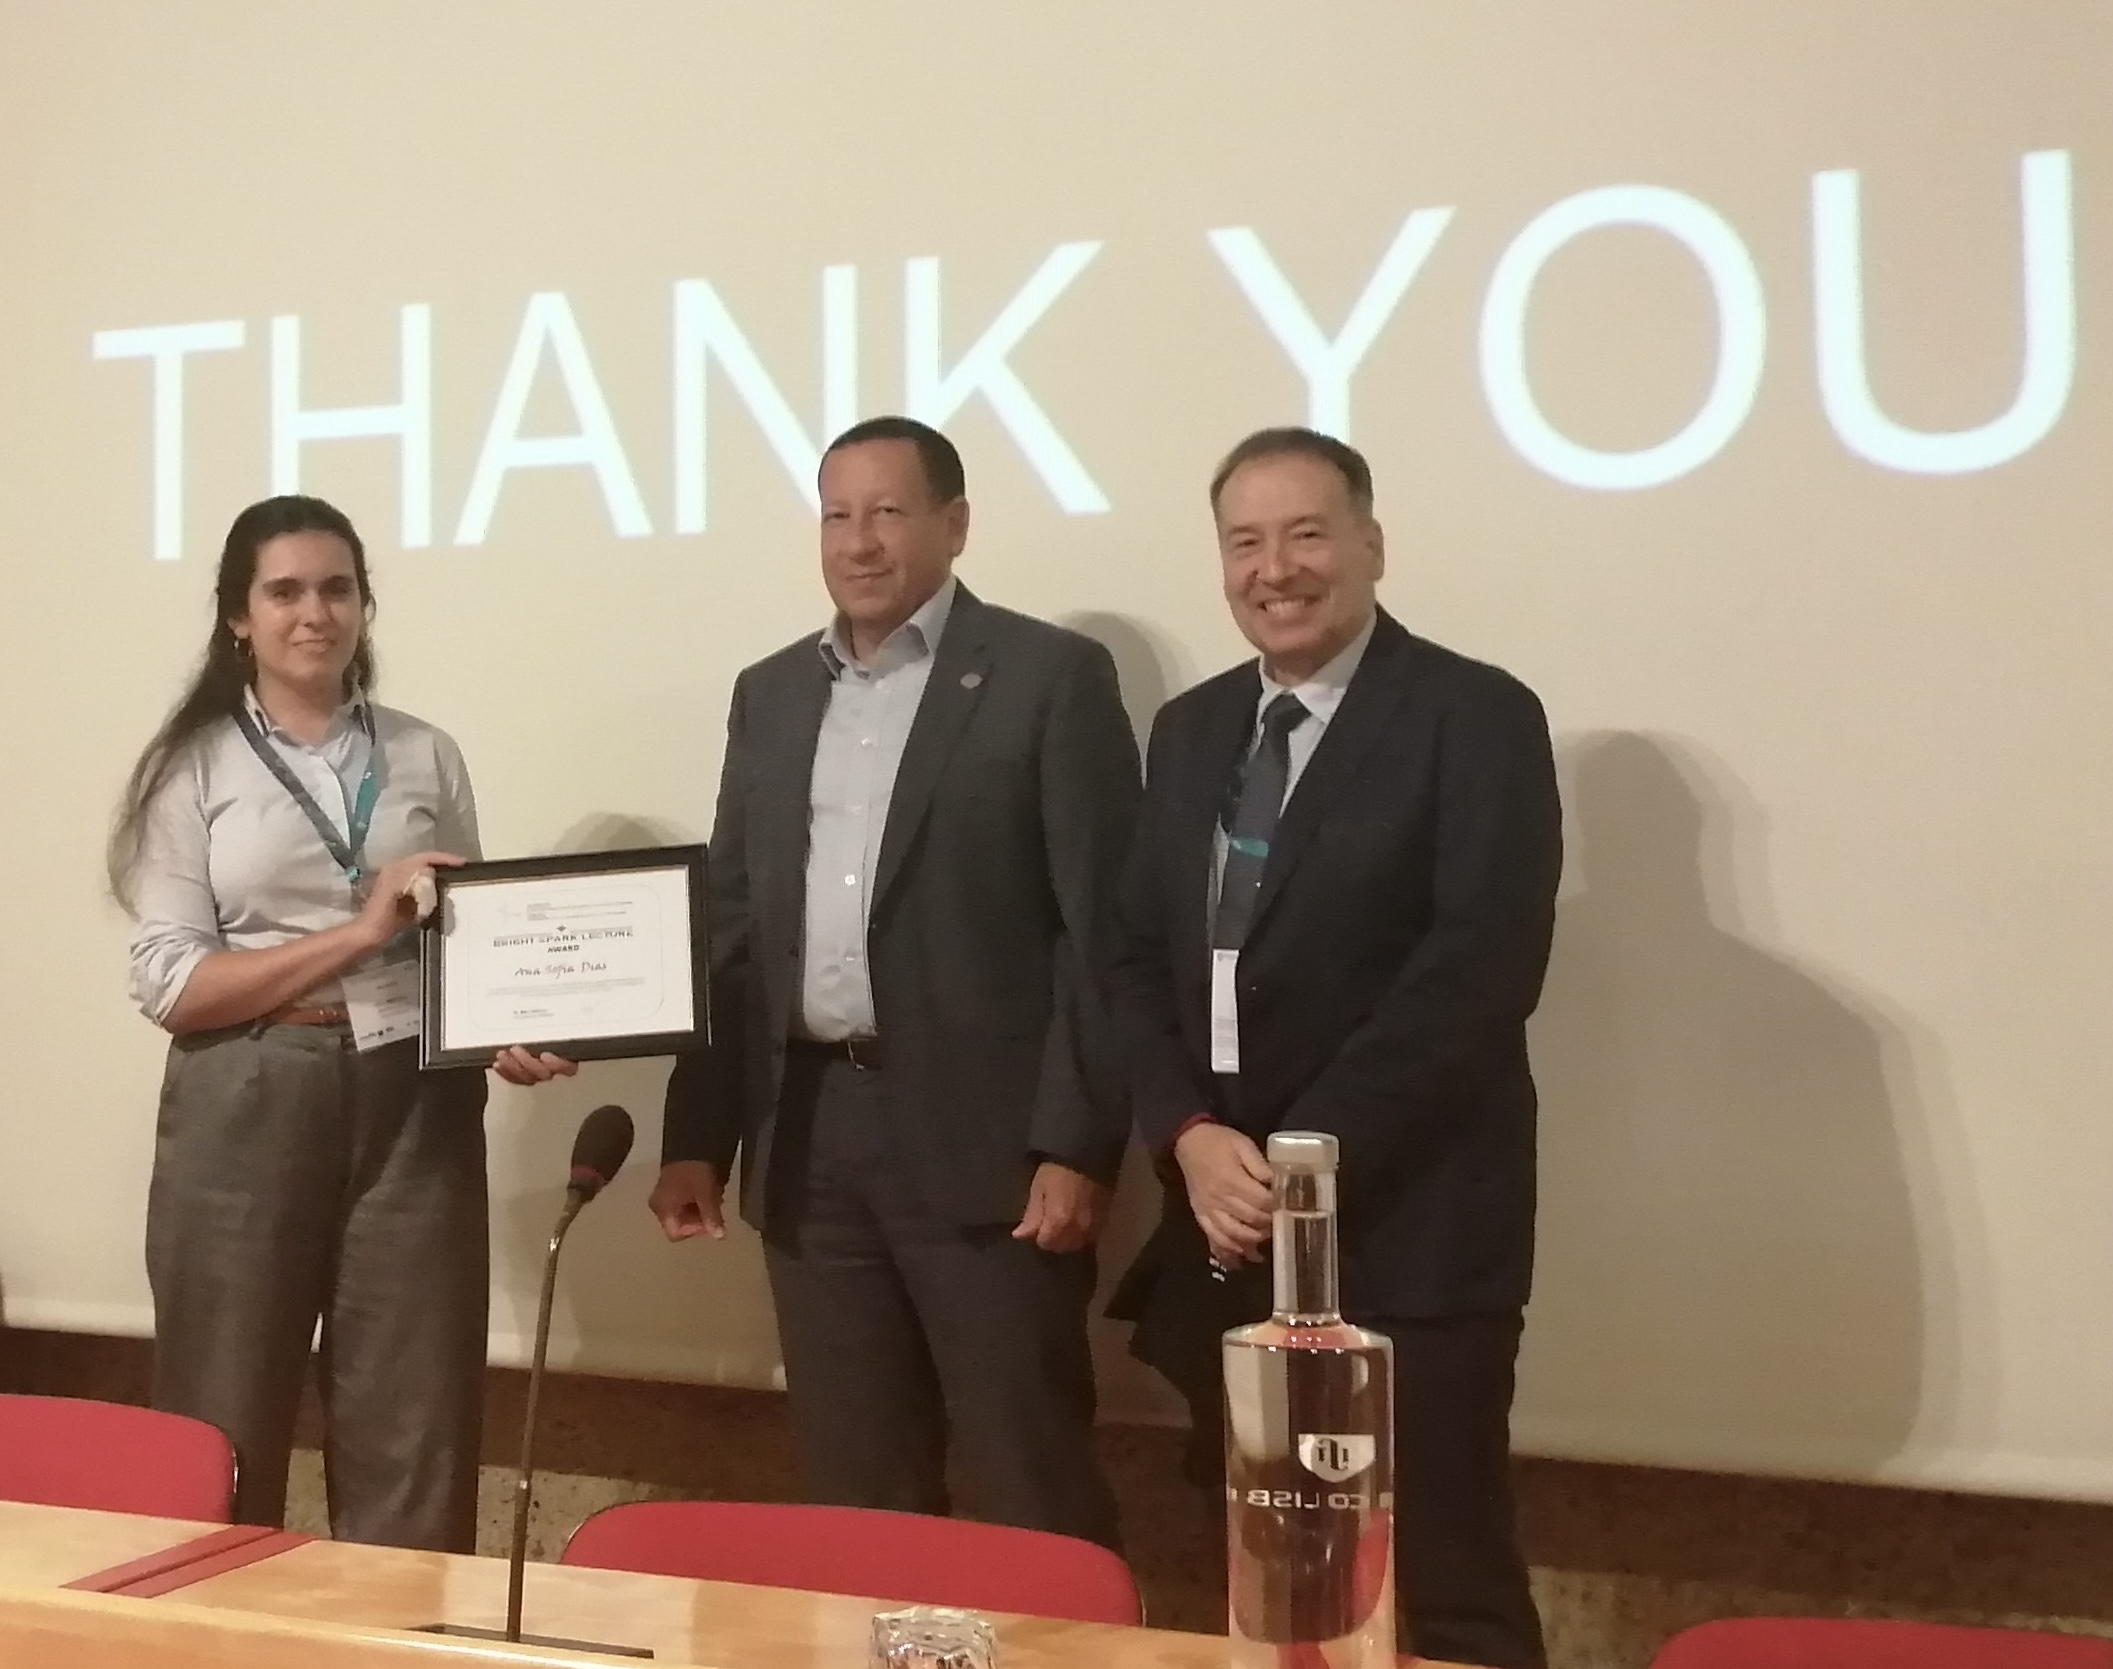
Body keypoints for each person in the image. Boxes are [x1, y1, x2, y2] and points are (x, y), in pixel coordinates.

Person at [1106, 428, 1561, 1666]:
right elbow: (1136, 956)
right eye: (1244, 542)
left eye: (1306, 533)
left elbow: (1478, 970)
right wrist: (1187, 1135)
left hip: (1409, 1230)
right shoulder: (1192, 730)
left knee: (1445, 1577)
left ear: (1370, 543)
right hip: (1228, 1225)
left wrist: (1297, 1163)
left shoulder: (1474, 715)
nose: (1275, 569)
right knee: (1273, 1582)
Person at [646, 415, 1140, 1546]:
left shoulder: (1048, 678)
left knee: (1029, 1486)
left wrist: (1078, 1142)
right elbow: (733, 923)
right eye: (836, 514)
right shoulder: (771, 692)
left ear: (953, 524)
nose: (858, 541)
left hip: (993, 1152)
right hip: (810, 1140)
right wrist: (698, 1135)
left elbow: (1101, 929)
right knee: (855, 1495)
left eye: (887, 512)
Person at [112, 493, 563, 1551]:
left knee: (417, 1420)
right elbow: (171, 984)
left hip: (415, 1098)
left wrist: (506, 1022)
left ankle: (402, 1632)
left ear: (364, 602)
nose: (314, 613)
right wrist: (358, 933)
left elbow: (465, 937)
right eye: (284, 592)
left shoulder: (425, 753)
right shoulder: (193, 763)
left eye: (336, 588)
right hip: (247, 1086)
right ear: (238, 616)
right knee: (220, 1417)